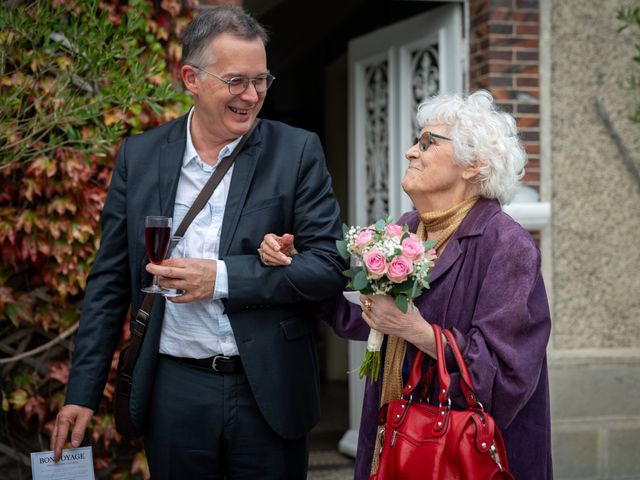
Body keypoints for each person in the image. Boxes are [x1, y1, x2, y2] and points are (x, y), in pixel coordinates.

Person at [50, 6, 346, 478]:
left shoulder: (297, 151)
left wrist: (224, 277)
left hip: (269, 389)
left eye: (261, 80)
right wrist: (82, 394)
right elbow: (108, 282)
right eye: (235, 81)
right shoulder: (140, 157)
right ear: (191, 77)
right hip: (173, 391)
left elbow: (330, 266)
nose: (251, 95)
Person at [259, 90, 553, 479]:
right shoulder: (409, 226)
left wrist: (417, 331)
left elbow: (505, 376)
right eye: (417, 140)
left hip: (466, 458)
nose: (411, 152)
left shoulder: (506, 245)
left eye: (428, 142)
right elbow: (366, 317)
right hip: (397, 438)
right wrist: (298, 266)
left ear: (473, 165)